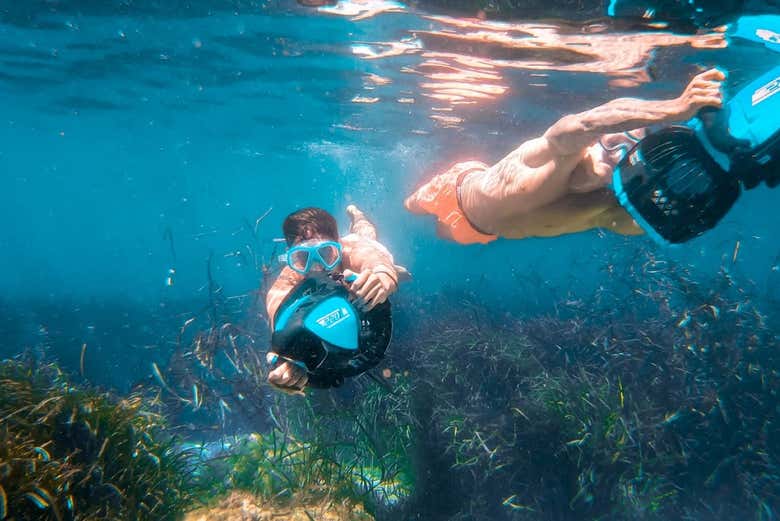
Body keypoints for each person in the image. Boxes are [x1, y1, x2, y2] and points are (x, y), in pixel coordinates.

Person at [405, 68, 727, 244]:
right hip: (450, 191)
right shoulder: (543, 164)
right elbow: (581, 124)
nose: (615, 148)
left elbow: (660, 224)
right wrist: (675, 107)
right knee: (410, 209)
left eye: (626, 147)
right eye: (612, 138)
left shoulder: (609, 205)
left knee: (440, 237)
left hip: (480, 233)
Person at [265, 205, 406, 393]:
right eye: (302, 257)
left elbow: (375, 261)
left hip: (365, 245)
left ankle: (358, 216)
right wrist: (288, 359)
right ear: (290, 257)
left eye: (325, 253)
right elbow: (281, 318)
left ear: (338, 246)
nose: (316, 268)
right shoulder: (288, 280)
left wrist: (384, 276)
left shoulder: (353, 250)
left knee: (366, 234)